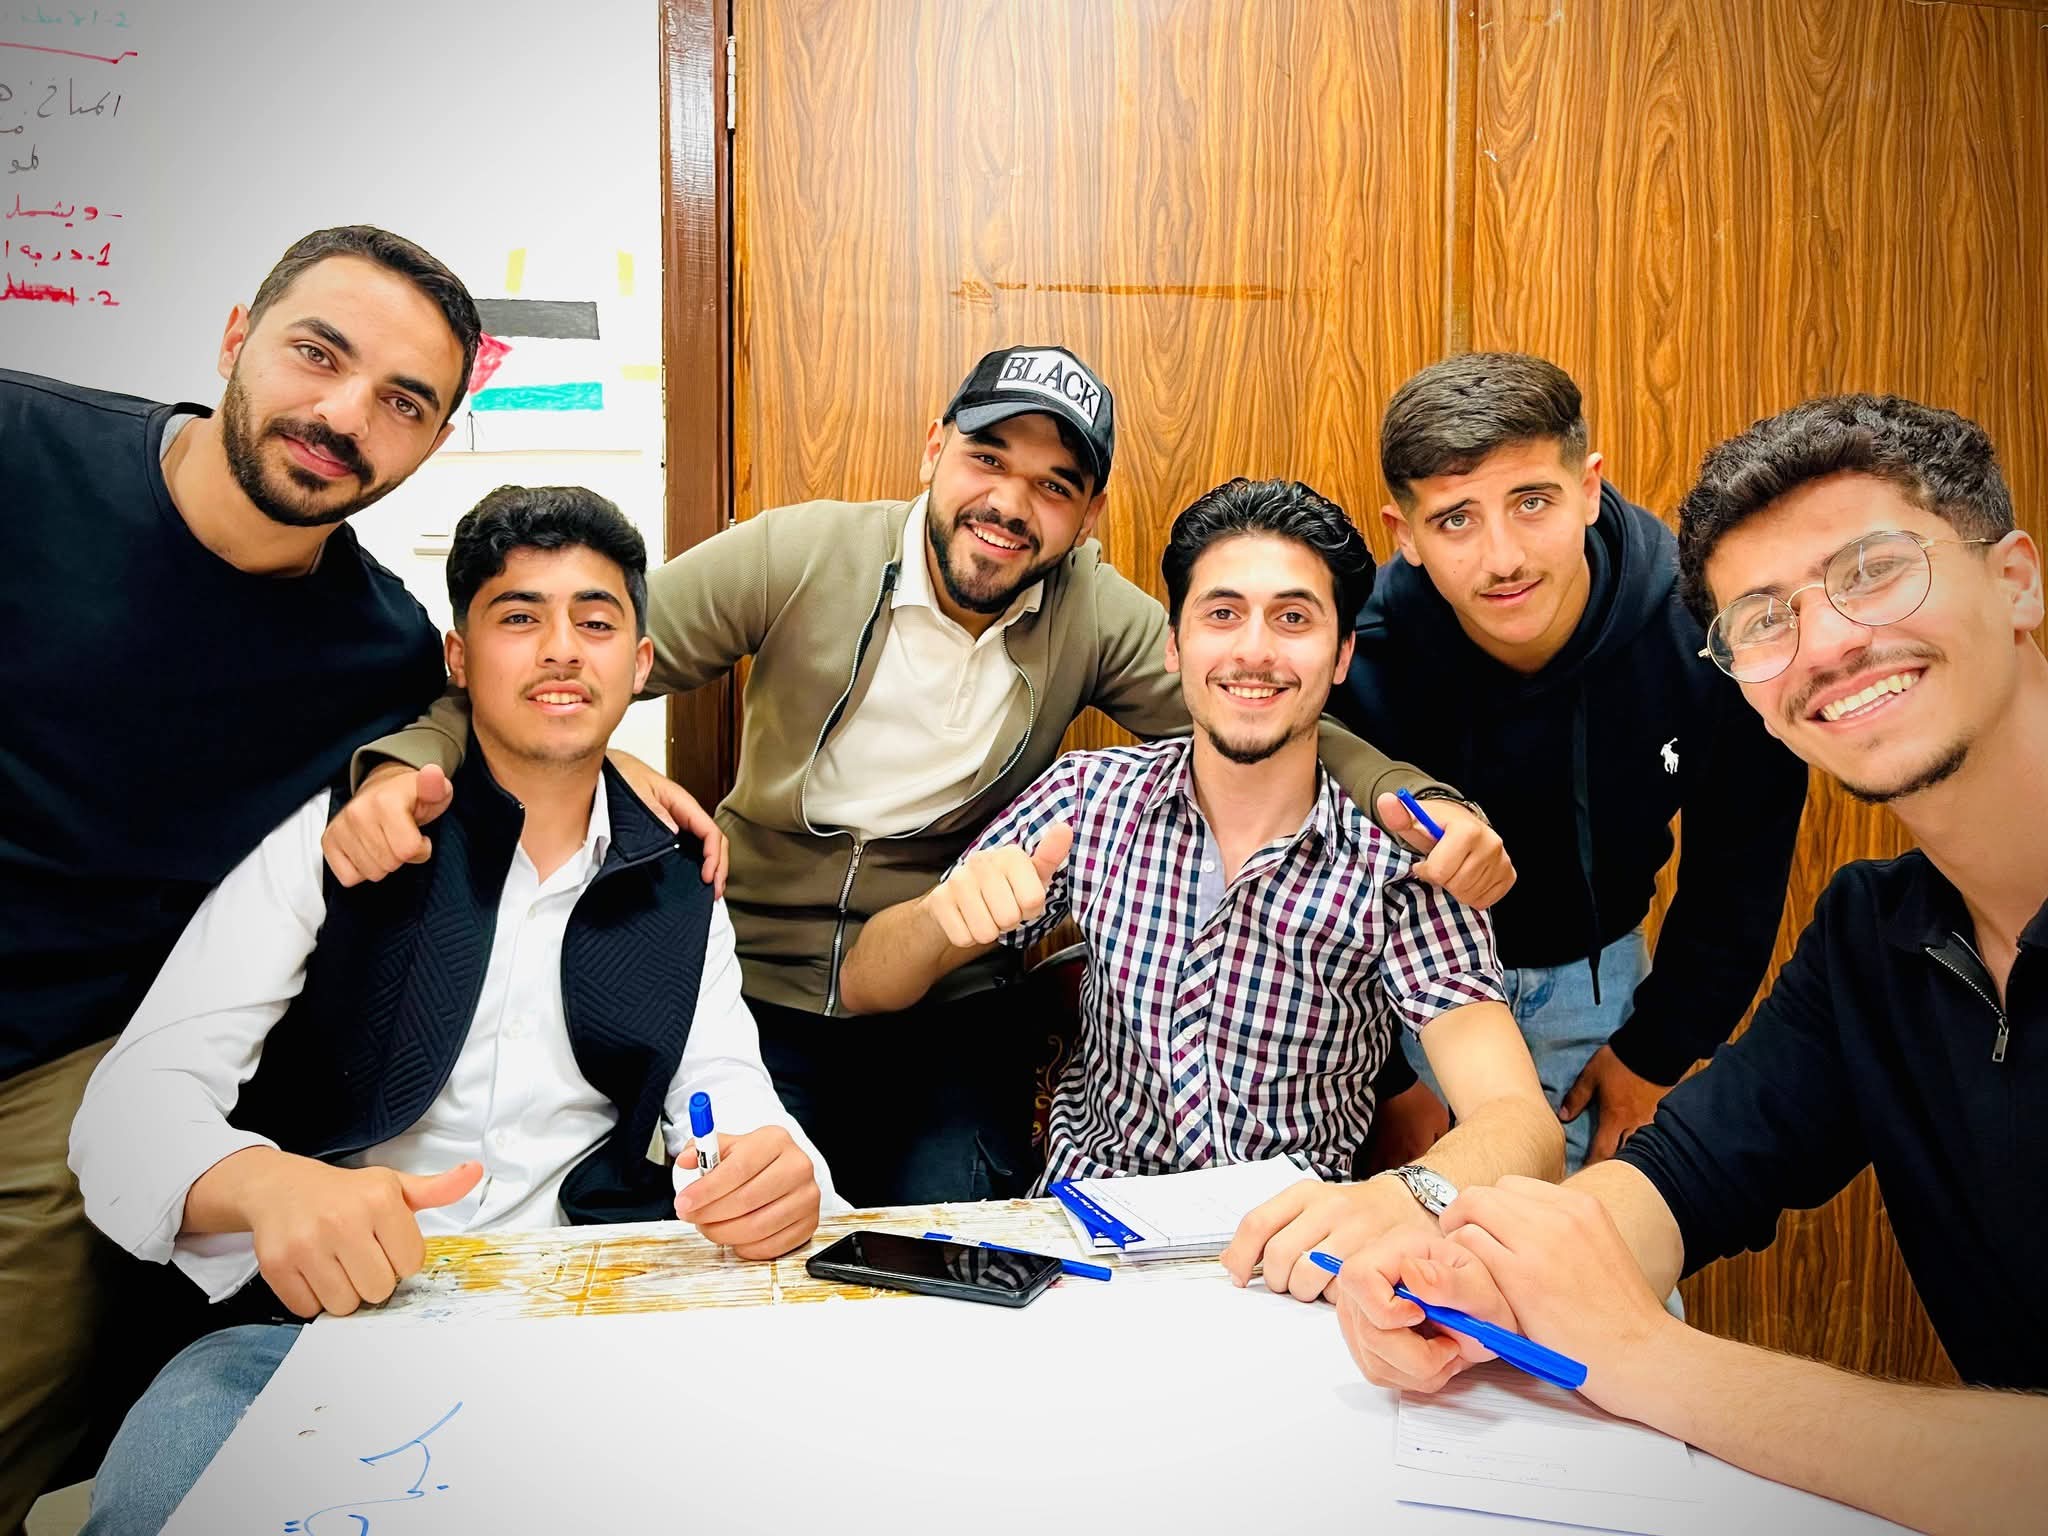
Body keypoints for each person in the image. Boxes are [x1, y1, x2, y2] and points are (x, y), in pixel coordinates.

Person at [322, 346, 1514, 1206]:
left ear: (1086, 514)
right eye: (989, 459)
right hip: (750, 978)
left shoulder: (1100, 617)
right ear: (934, 450)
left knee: (950, 1221)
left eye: (1054, 486)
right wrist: (441, 763)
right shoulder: (799, 553)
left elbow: (1267, 708)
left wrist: (1410, 803)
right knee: (735, 1225)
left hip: (942, 996)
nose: (1010, 505)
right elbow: (566, 665)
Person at [1331, 394, 2048, 1535]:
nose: (1823, 644)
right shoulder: (1875, 942)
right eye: (1764, 618)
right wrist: (1462, 1273)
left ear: (2014, 580)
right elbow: (1681, 1178)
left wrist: (1643, 1356)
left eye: (1872, 572)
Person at [70, 486, 834, 1536]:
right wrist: (262, 1184)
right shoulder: (343, 839)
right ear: (459, 659)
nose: (560, 649)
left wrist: (775, 1173)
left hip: (586, 1311)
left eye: (595, 621)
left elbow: (728, 1091)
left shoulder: (678, 878)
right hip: (311, 1324)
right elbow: (127, 1113)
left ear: (640, 663)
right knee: (166, 1504)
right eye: (519, 617)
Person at [0, 224, 482, 1527]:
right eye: (318, 355)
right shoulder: (25, 447)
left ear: (434, 441)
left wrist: (609, 773)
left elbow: (466, 714)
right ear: (234, 338)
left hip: (73, 1053)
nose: (344, 416)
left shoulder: (380, 649)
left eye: (403, 402)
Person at [843, 478, 1560, 1299]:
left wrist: (1403, 1197)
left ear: (1341, 656)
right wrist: (944, 917)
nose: (1254, 650)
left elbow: (1522, 1125)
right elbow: (866, 982)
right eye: (1222, 614)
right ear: (1175, 646)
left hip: (1288, 1267)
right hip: (1079, 1256)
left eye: (1293, 619)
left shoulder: (1399, 861)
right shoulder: (1088, 800)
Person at [1338, 353, 1806, 1173]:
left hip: (1603, 993)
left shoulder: (1700, 632)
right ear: (1404, 534)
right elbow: (1306, 877)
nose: (1503, 558)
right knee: (1403, 1253)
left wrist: (1656, 1052)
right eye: (1455, 520)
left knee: (1600, 1242)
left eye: (1532, 502)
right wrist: (1385, 1080)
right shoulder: (1359, 656)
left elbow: (1742, 867)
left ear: (1589, 489)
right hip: (1398, 1002)